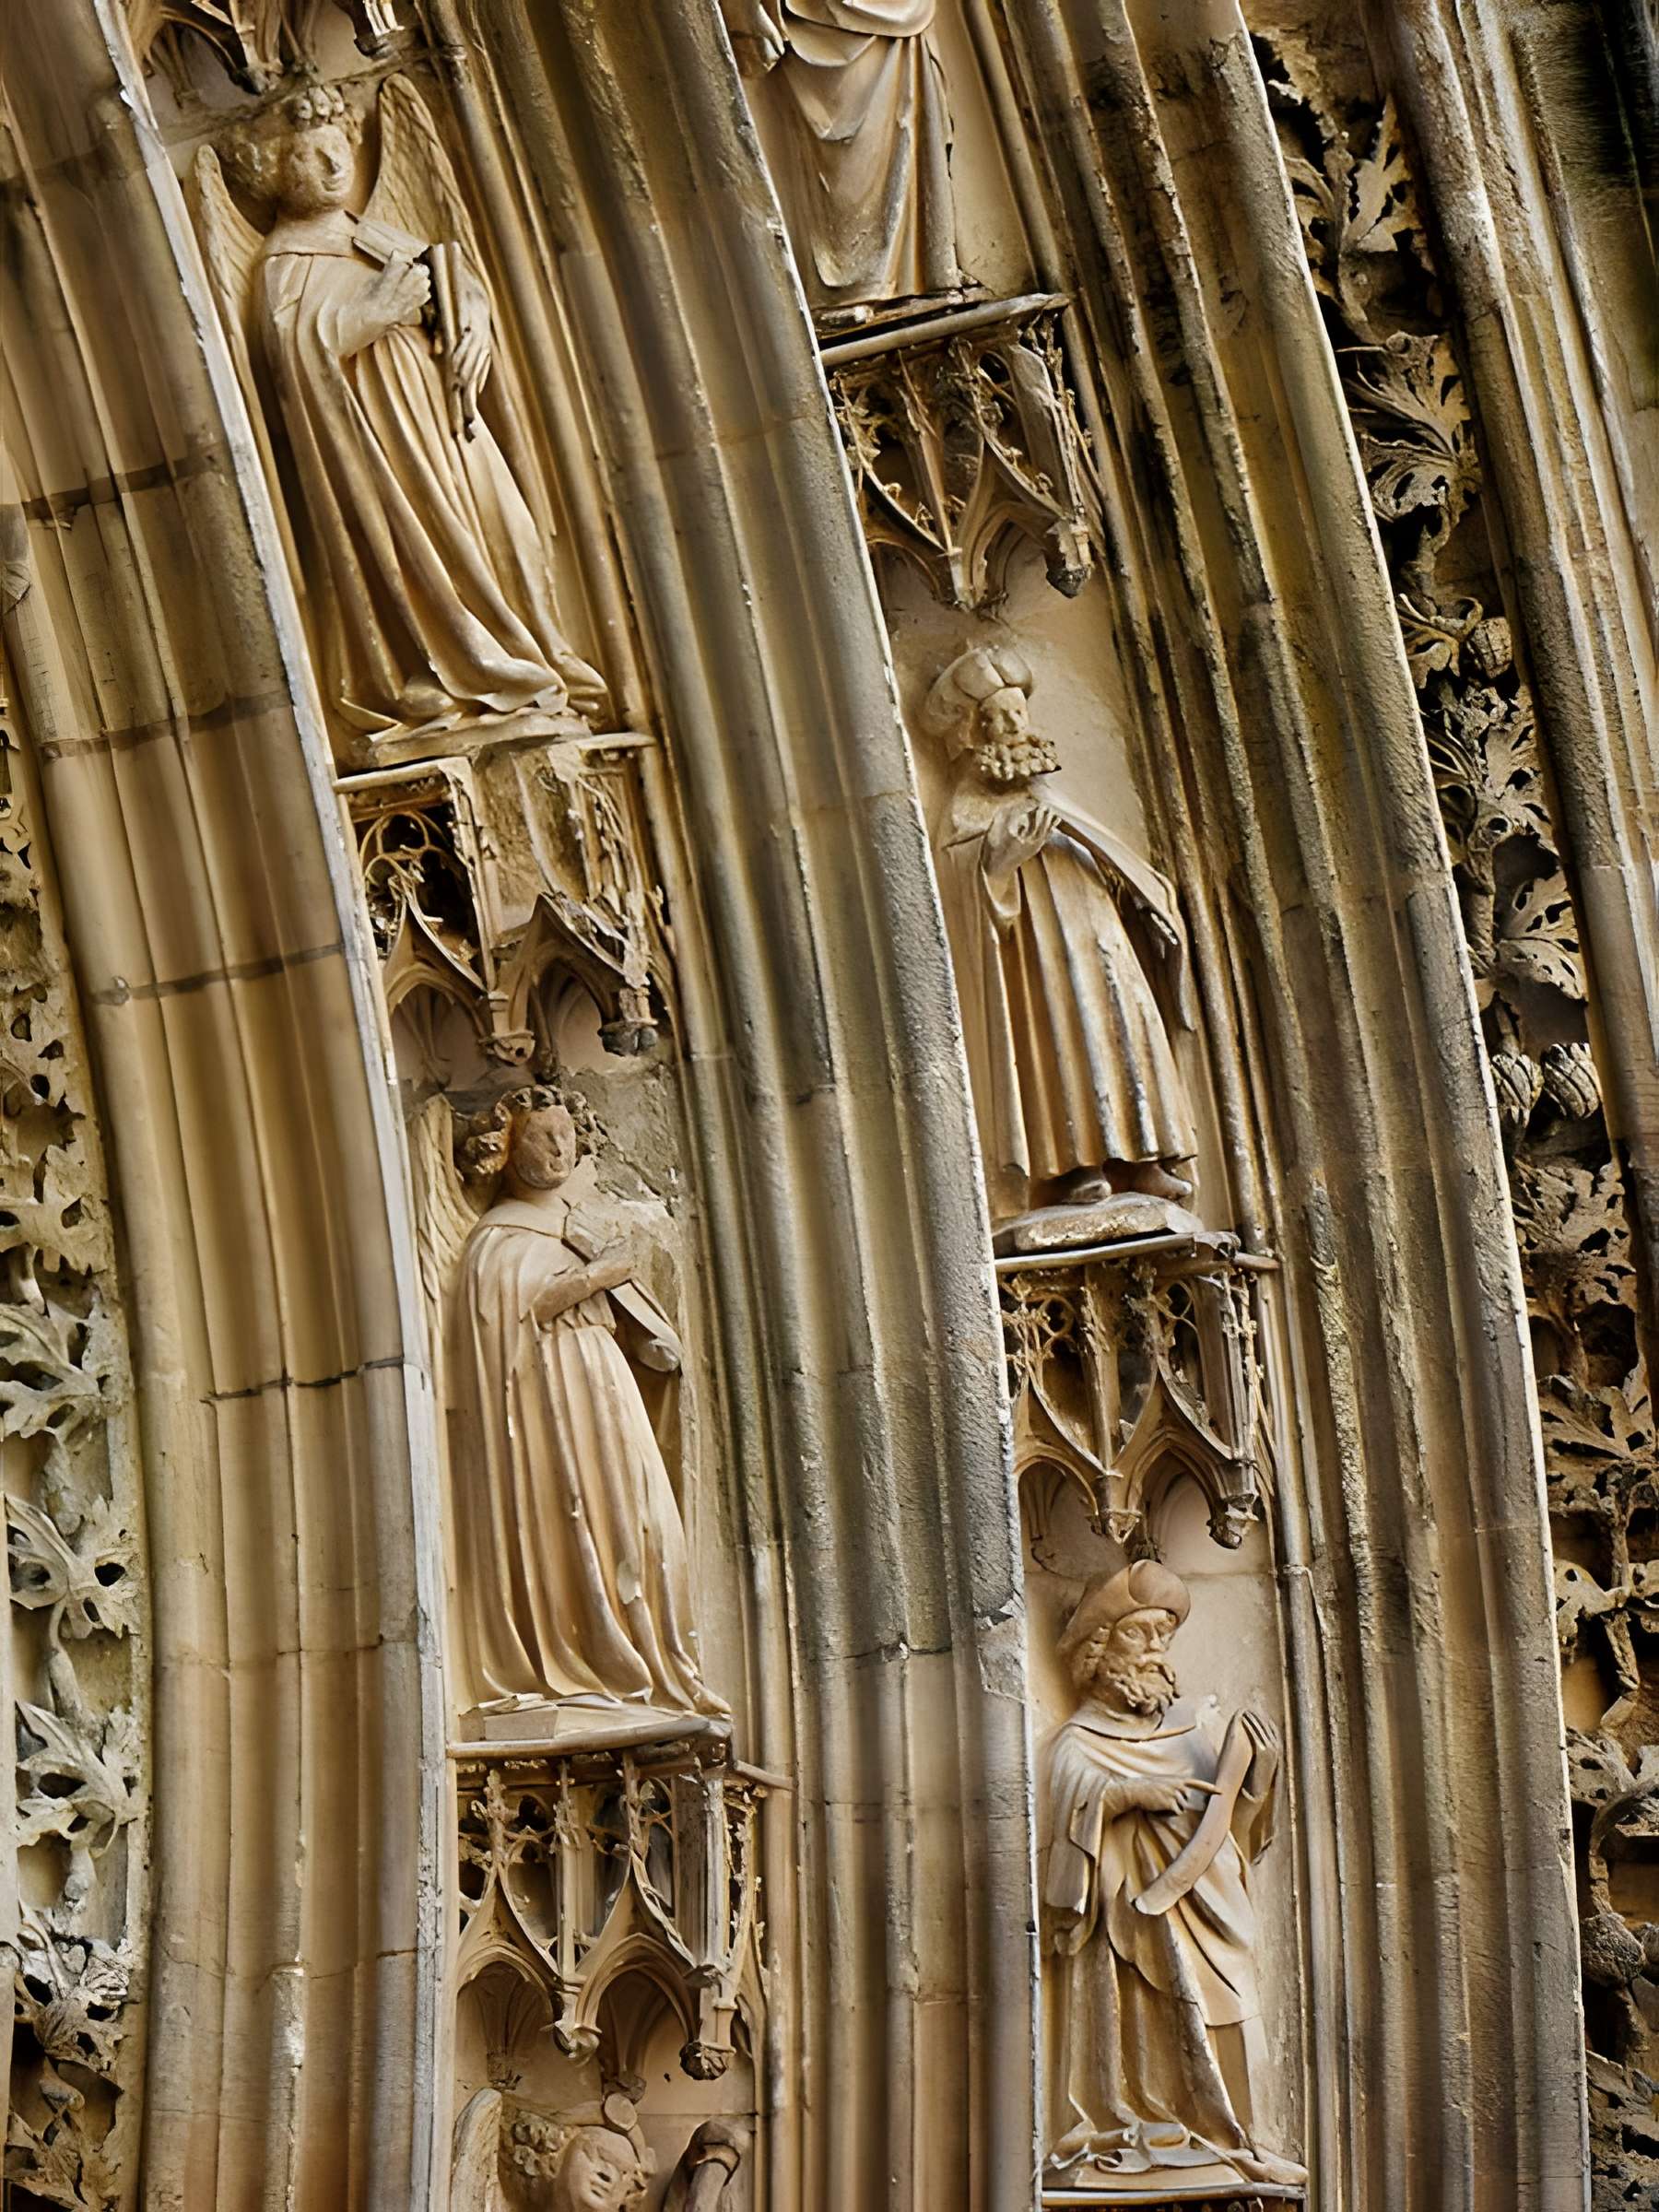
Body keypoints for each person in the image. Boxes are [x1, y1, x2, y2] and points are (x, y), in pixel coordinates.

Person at [236, 84, 606, 738]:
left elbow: (455, 283)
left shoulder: (371, 234)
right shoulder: (280, 265)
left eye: (338, 148)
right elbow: (291, 363)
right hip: (378, 444)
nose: (332, 166)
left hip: (444, 418)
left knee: (509, 531)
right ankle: (445, 672)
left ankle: (535, 651)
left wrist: (475, 328)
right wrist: (371, 313)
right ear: (273, 171)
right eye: (308, 155)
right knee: (425, 551)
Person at [446, 1084, 725, 1727]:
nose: (559, 1149)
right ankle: (580, 1664)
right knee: (574, 1518)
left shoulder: (580, 1228)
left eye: (568, 1136)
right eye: (543, 1137)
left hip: (603, 1387)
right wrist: (597, 1276)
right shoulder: (497, 1236)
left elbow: (646, 1337)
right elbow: (509, 1317)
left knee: (643, 1514)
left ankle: (655, 1667)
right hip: (547, 1407)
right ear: (507, 1150)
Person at [1042, 1560, 1304, 2188]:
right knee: (1153, 2014)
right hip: (1130, 1923)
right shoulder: (1077, 1744)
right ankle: (1154, 2128)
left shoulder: (1197, 1727)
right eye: (1141, 1634)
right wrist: (1125, 1795)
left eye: (1165, 1635)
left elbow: (1231, 1839)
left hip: (1210, 1907)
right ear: (1097, 1649)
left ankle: (1241, 2137)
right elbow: (1061, 1836)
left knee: (1234, 2006)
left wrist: (1256, 1781)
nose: (1157, 1650)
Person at [924, 647, 1197, 1224]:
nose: (1013, 730)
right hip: (1038, 955)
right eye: (996, 721)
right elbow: (961, 893)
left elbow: (1109, 856)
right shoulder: (967, 807)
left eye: (1017, 716)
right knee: (1063, 1046)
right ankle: (1081, 1168)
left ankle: (1146, 1158)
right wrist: (1000, 859)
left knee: (1125, 1030)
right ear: (973, 735)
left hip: (1097, 938)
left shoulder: (1049, 794)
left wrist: (1140, 895)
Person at [721, 0, 963, 313]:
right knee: (845, 158)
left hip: (900, 18)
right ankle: (854, 288)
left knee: (905, 120)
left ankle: (917, 273)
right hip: (810, 19)